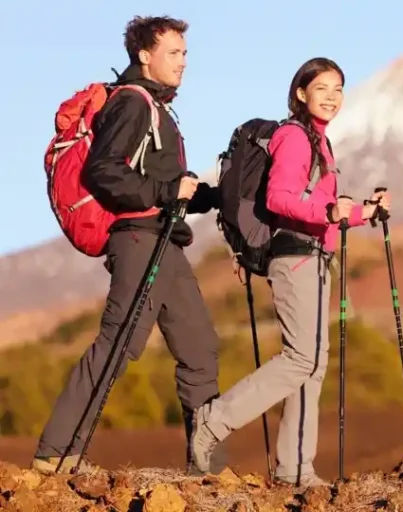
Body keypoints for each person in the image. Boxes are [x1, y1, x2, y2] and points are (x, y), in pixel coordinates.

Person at [32, 15, 226, 476]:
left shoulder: (158, 109)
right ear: (145, 54)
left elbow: (169, 186)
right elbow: (105, 171)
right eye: (173, 52)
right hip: (139, 240)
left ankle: (208, 467)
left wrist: (219, 194)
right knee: (119, 342)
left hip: (166, 241)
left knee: (200, 349)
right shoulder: (132, 104)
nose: (183, 62)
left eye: (184, 53)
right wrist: (166, 193)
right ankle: (55, 456)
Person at [188, 57, 391, 486]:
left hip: (316, 255)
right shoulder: (295, 137)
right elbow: (281, 198)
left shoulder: (321, 143)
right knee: (302, 357)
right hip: (295, 256)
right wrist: (329, 209)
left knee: (312, 365)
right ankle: (213, 421)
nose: (333, 96)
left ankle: (295, 469)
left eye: (338, 88)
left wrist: (364, 213)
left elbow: (324, 212)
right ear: (301, 93)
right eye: (322, 88)